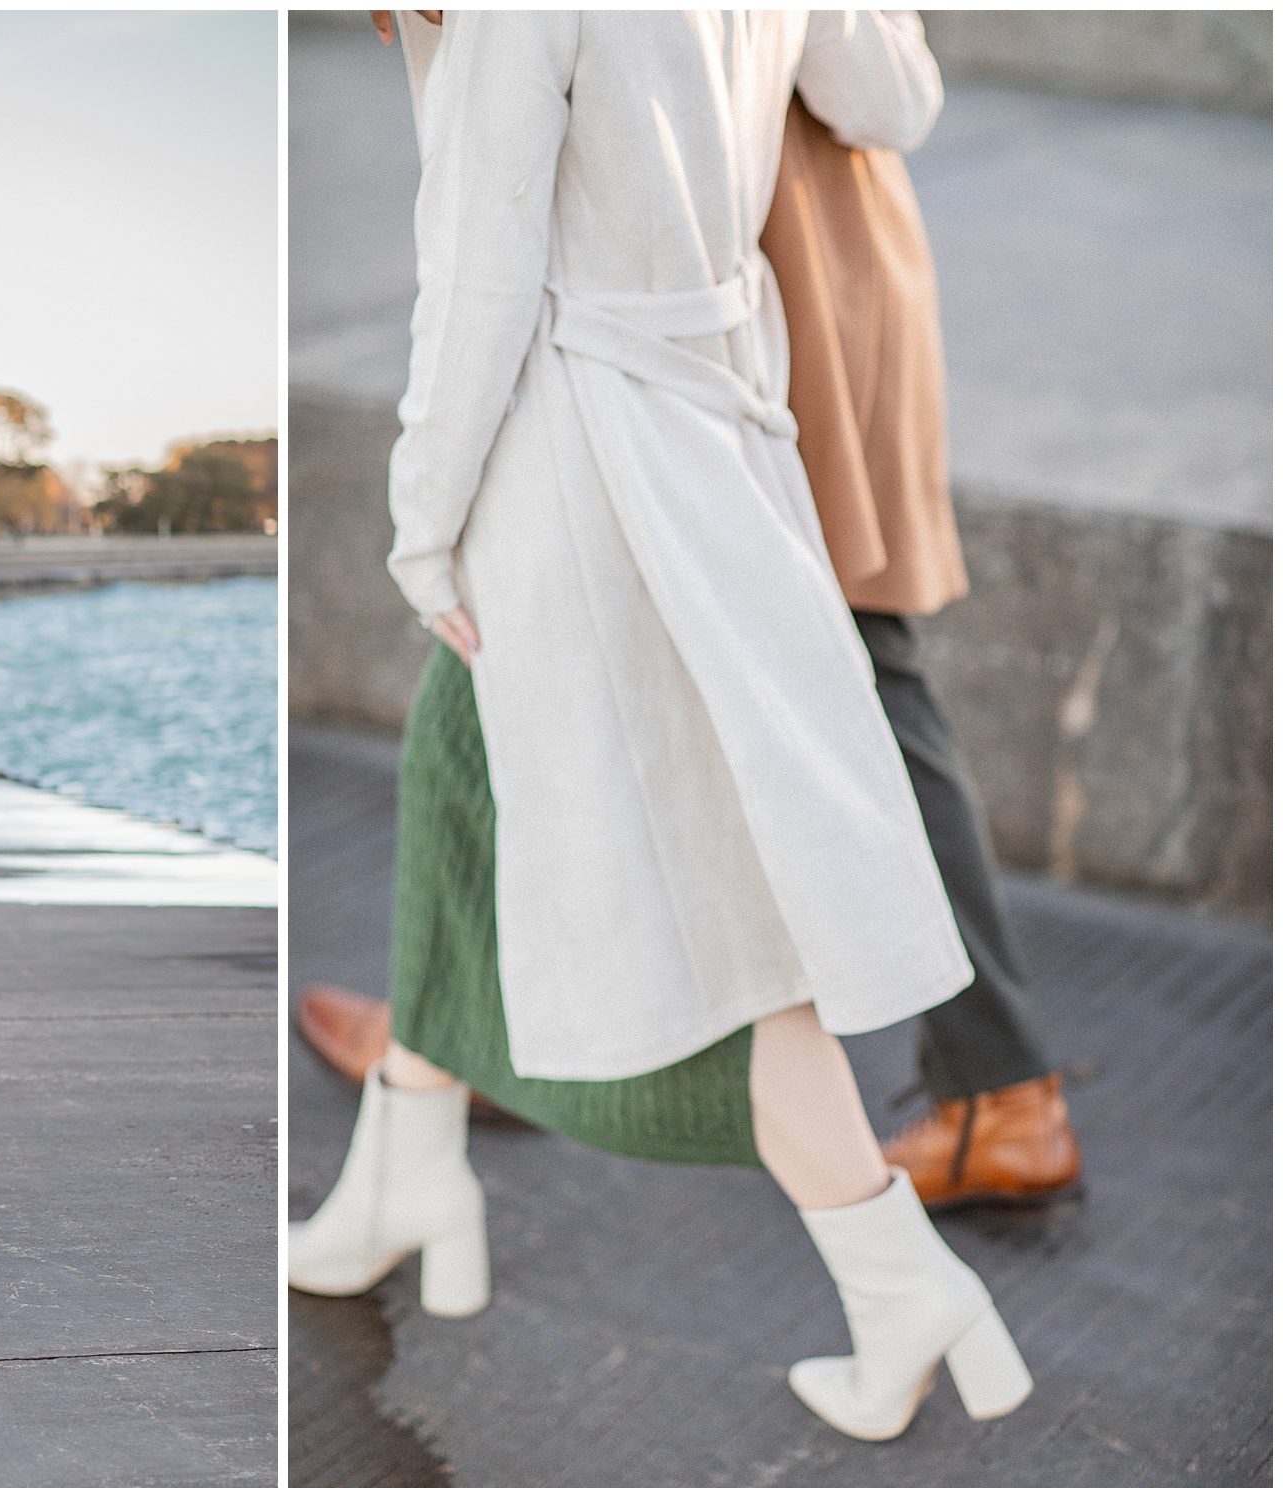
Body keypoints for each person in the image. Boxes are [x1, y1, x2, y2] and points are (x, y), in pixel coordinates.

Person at [291, 11, 1034, 1443]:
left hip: (574, 459)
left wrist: (417, 530)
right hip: (718, 421)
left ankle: (896, 1282)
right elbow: (885, 89)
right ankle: (407, 1159)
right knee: (463, 783)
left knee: (722, 937)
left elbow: (480, 279)